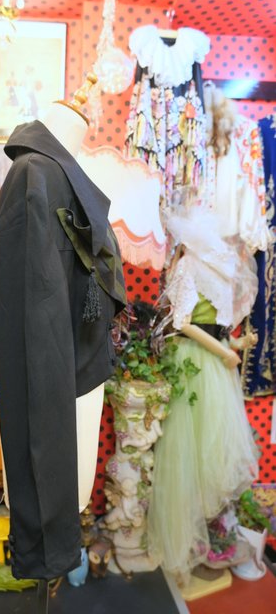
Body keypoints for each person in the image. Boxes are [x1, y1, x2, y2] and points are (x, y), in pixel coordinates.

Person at [0, 77, 126, 580]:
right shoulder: (34, 175)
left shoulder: (62, 172)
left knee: (70, 493)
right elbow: (34, 311)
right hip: (49, 388)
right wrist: (47, 408)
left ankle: (54, 552)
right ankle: (45, 555)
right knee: (50, 495)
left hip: (75, 380)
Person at [147, 207, 259, 583]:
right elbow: (182, 322)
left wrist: (237, 342)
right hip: (195, 363)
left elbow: (215, 325)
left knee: (211, 451)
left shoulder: (218, 267)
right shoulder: (188, 266)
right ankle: (183, 545)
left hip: (214, 363)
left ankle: (206, 542)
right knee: (188, 452)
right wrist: (223, 352)